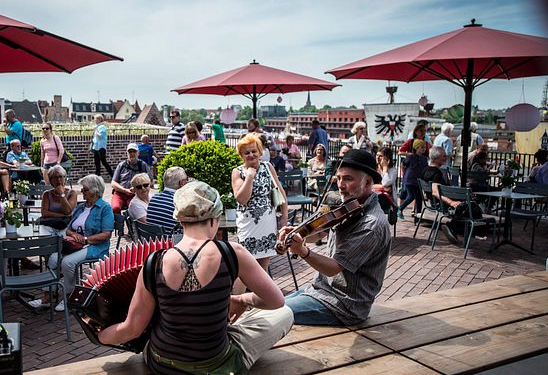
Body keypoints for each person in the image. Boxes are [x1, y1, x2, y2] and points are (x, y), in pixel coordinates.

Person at [98, 181, 293, 374]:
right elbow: (276, 300)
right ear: (216, 217)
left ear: (179, 219)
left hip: (162, 363)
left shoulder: (154, 262)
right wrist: (241, 299)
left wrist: (99, 336)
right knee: (285, 313)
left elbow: (131, 329)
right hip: (217, 364)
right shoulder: (232, 253)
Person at [279, 149, 391, 326]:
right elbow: (320, 233)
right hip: (321, 290)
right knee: (269, 303)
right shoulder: (348, 207)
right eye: (338, 178)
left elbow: (333, 268)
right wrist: (297, 234)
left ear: (368, 182)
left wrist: (302, 251)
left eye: (348, 179)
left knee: (273, 313)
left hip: (344, 306)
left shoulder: (371, 225)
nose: (340, 185)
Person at [29, 174, 114, 312]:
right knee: (53, 259)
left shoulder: (105, 208)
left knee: (67, 262)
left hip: (94, 246)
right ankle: (47, 296)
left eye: (85, 189)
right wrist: (73, 234)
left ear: (94, 191)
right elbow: (68, 228)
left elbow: (106, 234)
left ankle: (71, 297)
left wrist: (85, 239)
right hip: (74, 244)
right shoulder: (81, 207)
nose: (82, 192)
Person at [232, 134, 288, 286]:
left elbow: (280, 192)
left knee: (263, 265)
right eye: (247, 152)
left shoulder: (268, 167)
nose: (251, 155)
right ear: (241, 155)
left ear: (260, 151)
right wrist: (249, 177)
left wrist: (284, 217)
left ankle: (261, 299)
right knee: (243, 266)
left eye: (254, 151)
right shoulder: (237, 172)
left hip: (267, 224)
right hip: (248, 224)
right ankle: (237, 301)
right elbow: (242, 199)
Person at [111, 143, 152, 214]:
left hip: (135, 194)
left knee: (135, 209)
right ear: (127, 153)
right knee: (115, 208)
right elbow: (113, 183)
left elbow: (150, 181)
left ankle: (133, 224)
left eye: (134, 151)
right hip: (120, 193)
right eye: (130, 152)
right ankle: (117, 224)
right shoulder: (121, 165)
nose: (132, 154)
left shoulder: (143, 165)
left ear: (138, 153)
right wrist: (124, 190)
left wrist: (138, 189)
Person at [147, 166, 189, 234]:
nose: (187, 182)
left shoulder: (153, 199)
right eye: (187, 179)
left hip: (153, 241)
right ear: (182, 183)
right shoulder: (179, 204)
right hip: (171, 243)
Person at [397, 139, 428, 219]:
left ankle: (419, 215)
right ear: (416, 147)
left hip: (418, 181)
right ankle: (400, 208)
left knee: (419, 198)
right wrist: (404, 174)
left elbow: (425, 169)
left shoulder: (424, 159)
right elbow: (403, 164)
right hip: (409, 180)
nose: (423, 149)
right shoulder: (410, 156)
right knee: (411, 196)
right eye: (421, 147)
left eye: (424, 147)